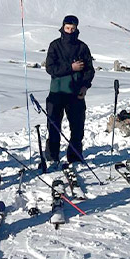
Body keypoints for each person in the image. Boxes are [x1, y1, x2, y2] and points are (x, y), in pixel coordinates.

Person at [44, 15, 95, 166]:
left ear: (76, 29)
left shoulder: (82, 47)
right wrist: (71, 67)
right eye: (67, 28)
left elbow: (89, 70)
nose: (70, 31)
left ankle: (75, 157)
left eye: (73, 29)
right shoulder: (55, 45)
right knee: (53, 126)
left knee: (77, 128)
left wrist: (85, 86)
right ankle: (52, 157)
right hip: (57, 92)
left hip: (76, 94)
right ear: (63, 27)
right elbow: (50, 68)